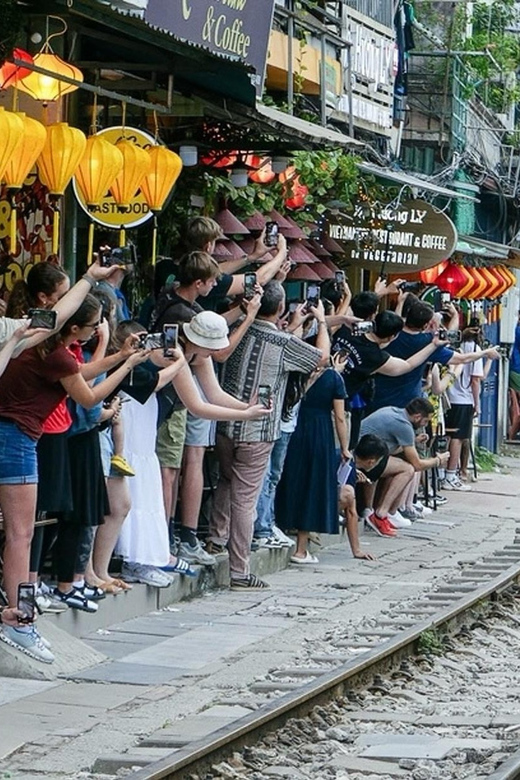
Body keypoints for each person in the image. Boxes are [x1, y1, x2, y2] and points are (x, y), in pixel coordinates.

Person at [0, 276, 147, 663]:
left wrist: (116, 357)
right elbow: (89, 397)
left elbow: (76, 373)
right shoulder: (60, 354)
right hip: (17, 440)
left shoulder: (40, 342)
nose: (96, 333)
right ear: (75, 329)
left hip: (12, 434)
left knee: (17, 532)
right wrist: (127, 364)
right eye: (92, 327)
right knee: (21, 534)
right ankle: (19, 620)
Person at [115, 312, 271, 586]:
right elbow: (197, 404)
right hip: (134, 411)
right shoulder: (174, 353)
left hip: (149, 413)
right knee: (140, 483)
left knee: (147, 482)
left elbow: (214, 394)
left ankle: (152, 553)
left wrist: (247, 407)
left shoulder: (195, 353)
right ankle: (140, 558)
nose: (219, 350)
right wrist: (246, 415)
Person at [207, 280, 329, 590]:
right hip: (258, 429)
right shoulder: (283, 342)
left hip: (224, 424)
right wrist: (323, 322)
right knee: (245, 501)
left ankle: (214, 540)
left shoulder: (235, 331)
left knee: (225, 481)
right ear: (280, 310)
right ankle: (239, 571)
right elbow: (321, 359)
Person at [275, 366, 350, 563]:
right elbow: (340, 417)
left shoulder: (298, 371)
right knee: (312, 485)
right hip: (320, 432)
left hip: (294, 428)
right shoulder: (333, 377)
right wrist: (345, 446)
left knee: (290, 479)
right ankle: (301, 549)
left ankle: (278, 528)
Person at [370, 301, 501, 413]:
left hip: (375, 399)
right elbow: (462, 358)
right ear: (426, 325)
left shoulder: (391, 334)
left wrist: (400, 301)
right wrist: (486, 353)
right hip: (408, 405)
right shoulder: (428, 343)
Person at [359, 397, 450, 536]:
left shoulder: (393, 411)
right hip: (365, 456)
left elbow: (390, 448)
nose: (422, 426)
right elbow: (417, 464)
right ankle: (382, 514)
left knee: (397, 466)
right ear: (417, 416)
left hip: (364, 451)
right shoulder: (404, 425)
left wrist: (412, 440)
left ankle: (375, 510)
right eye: (425, 421)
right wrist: (438, 460)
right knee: (407, 469)